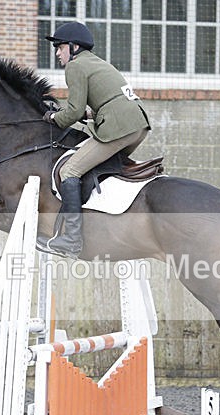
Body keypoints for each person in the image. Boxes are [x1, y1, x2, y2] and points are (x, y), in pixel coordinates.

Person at [41, 21, 151, 258]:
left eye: (60, 48)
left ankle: (71, 238)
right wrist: (84, 114)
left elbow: (72, 112)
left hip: (117, 127)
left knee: (69, 171)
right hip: (137, 125)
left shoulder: (76, 66)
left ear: (73, 47)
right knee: (92, 168)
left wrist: (52, 117)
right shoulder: (97, 63)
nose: (57, 53)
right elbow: (100, 104)